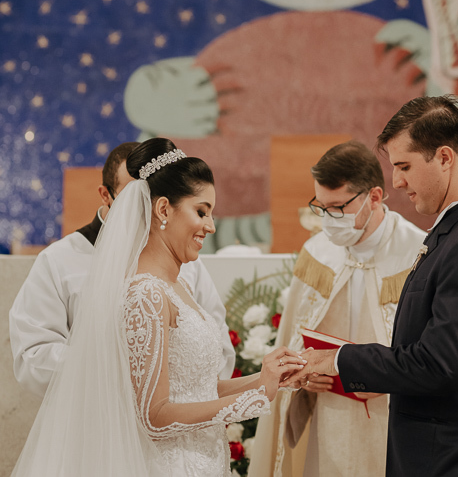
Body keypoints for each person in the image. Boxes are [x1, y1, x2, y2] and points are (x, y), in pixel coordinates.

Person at [11, 138, 306, 477]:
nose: (211, 226)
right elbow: (154, 417)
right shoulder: (145, 294)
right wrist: (254, 399)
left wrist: (268, 379)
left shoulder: (178, 283)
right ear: (163, 209)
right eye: (201, 211)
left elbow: (197, 386)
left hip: (204, 459)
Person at [287, 97, 458, 477]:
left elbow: (440, 364)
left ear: (445, 158)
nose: (397, 182)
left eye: (404, 166)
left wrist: (339, 360)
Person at [249, 140, 426, 477]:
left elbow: (429, 354)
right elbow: (292, 341)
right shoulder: (318, 254)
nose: (327, 219)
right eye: (321, 206)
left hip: (393, 416)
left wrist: (392, 380)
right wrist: (303, 376)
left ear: (374, 197)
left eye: (338, 208)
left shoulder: (415, 254)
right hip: (328, 416)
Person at [10, 142, 235, 397]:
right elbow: (33, 358)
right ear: (106, 195)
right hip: (95, 418)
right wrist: (132, 366)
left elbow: (218, 346)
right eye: (133, 194)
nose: (144, 205)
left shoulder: (188, 265)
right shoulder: (58, 261)